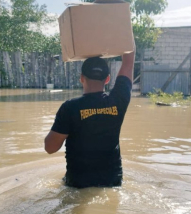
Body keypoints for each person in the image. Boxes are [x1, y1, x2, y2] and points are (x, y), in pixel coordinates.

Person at [44, 50, 135, 188]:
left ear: (81, 78)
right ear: (108, 79)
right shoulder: (118, 100)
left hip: (78, 184)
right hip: (112, 181)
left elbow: (50, 148)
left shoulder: (70, 108)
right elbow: (128, 62)